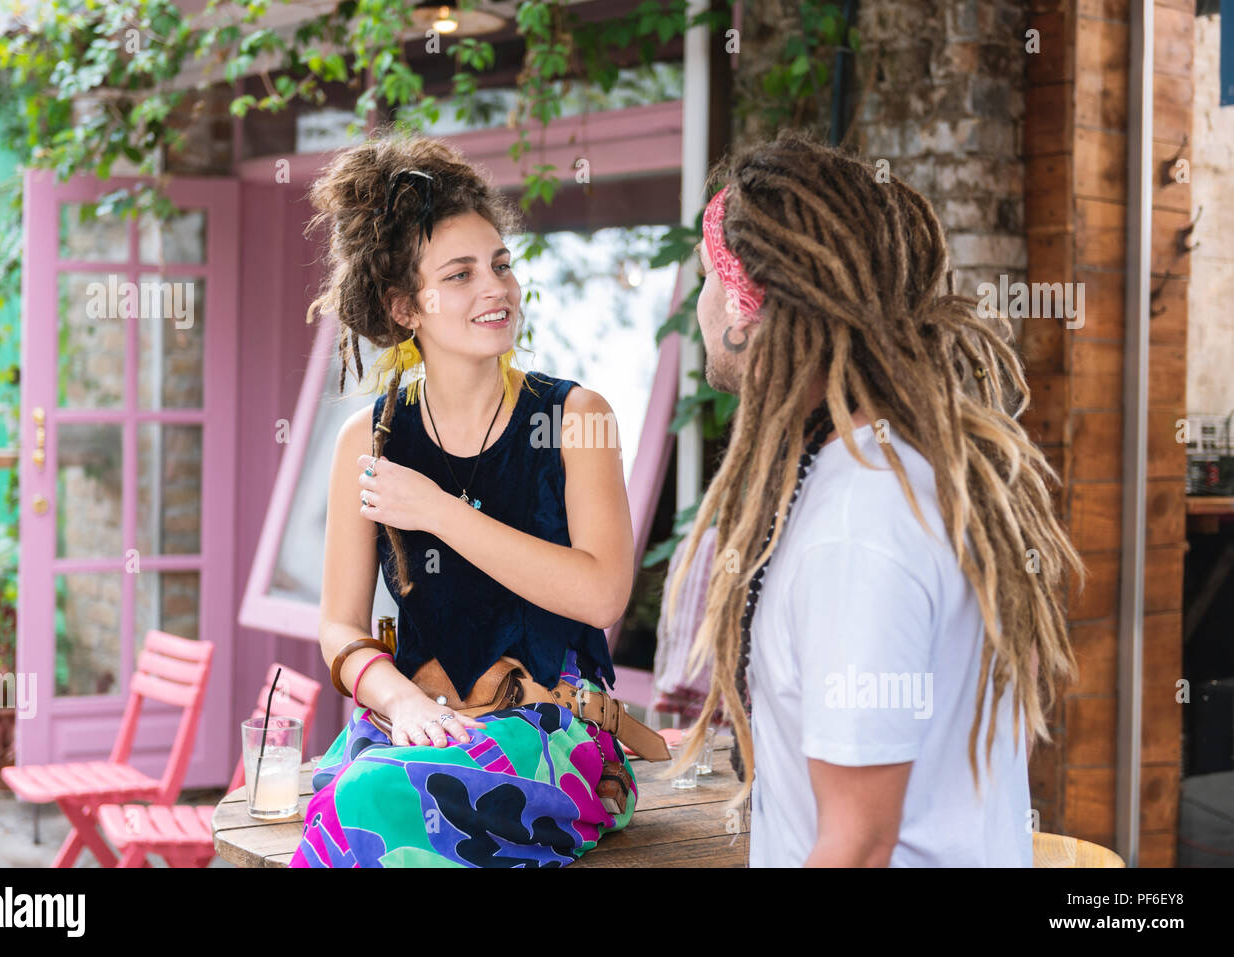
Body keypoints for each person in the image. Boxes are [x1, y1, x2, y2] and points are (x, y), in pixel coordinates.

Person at [666, 129, 1084, 867]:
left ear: (741, 304)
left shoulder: (859, 524)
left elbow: (858, 844)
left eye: (703, 276)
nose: (697, 303)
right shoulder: (896, 470)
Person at [290, 127, 646, 867]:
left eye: (501, 265)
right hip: (417, 728)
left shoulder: (576, 416)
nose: (496, 289)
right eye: (460, 275)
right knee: (350, 798)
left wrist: (438, 511)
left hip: (552, 733)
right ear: (404, 308)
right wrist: (402, 703)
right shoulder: (369, 437)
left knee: (364, 806)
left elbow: (605, 594)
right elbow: (338, 626)